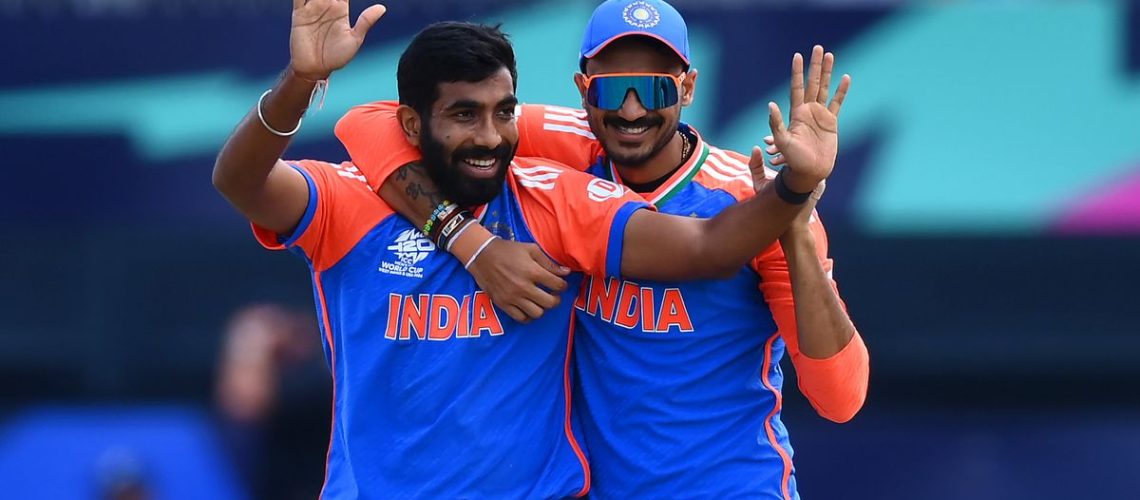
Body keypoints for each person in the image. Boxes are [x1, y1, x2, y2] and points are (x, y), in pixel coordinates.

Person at [210, 1, 836, 497]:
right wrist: (302, 81)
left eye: (503, 111)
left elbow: (706, 247)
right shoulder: (353, 198)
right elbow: (240, 180)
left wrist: (794, 187)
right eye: (463, 115)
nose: (489, 135)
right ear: (411, 125)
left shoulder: (554, 197)